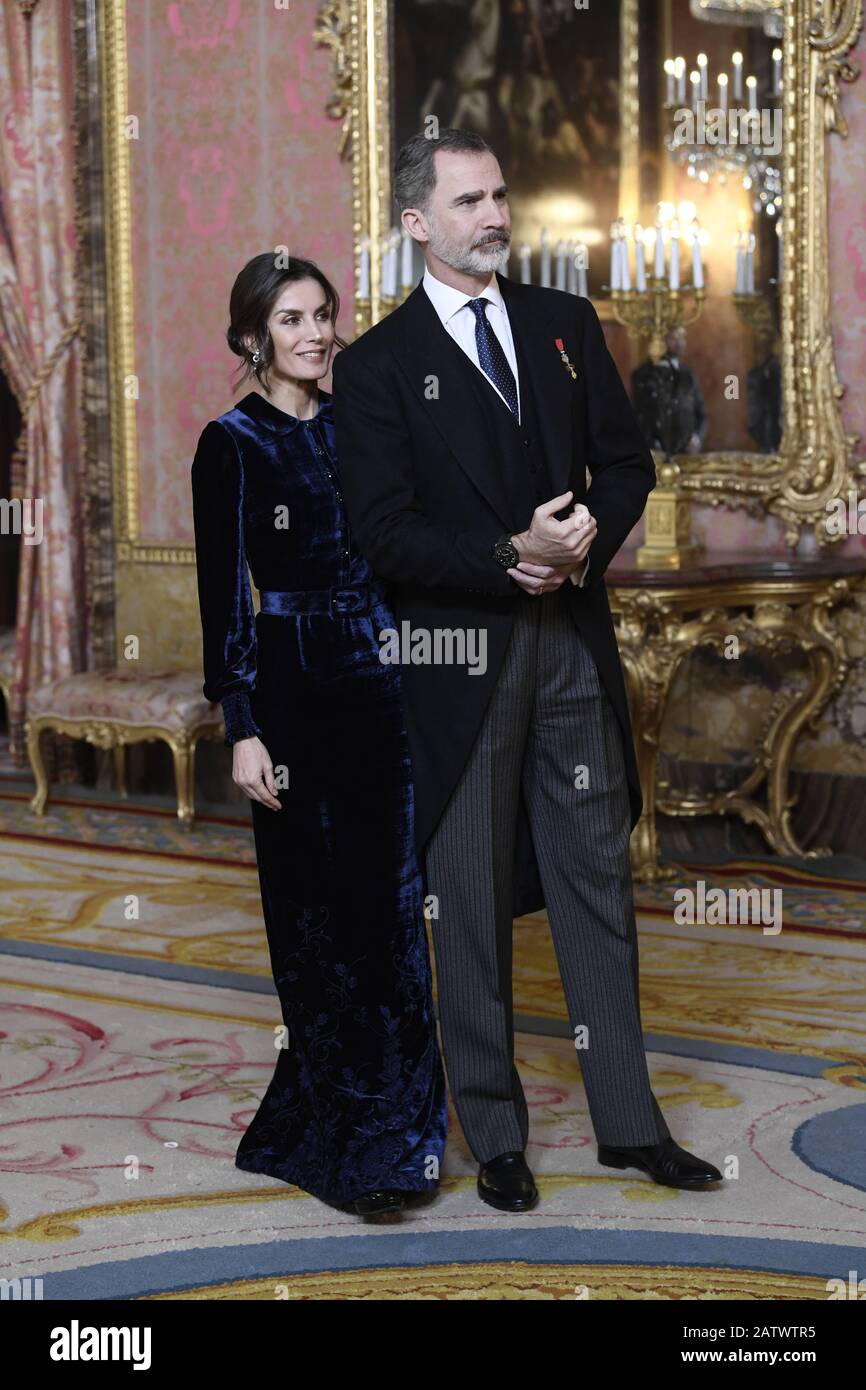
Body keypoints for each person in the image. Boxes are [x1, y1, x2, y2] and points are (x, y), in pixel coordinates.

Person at [332, 128, 723, 1211]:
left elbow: (628, 461)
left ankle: (629, 1126)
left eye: (499, 195)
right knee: (461, 902)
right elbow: (382, 533)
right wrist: (511, 554)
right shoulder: (373, 367)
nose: (493, 217)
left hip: (571, 654)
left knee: (596, 879)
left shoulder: (562, 327)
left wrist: (583, 534)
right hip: (457, 666)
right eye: (467, 202)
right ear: (416, 223)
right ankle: (495, 1135)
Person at [190, 253, 447, 1216]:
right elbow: (225, 607)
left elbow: (403, 549)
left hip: (382, 685)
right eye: (293, 319)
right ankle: (334, 1128)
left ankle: (396, 1142)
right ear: (253, 336)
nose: (315, 333)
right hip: (293, 690)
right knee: (315, 922)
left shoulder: (357, 425)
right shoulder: (232, 444)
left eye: (324, 315)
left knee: (391, 916)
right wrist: (242, 729)